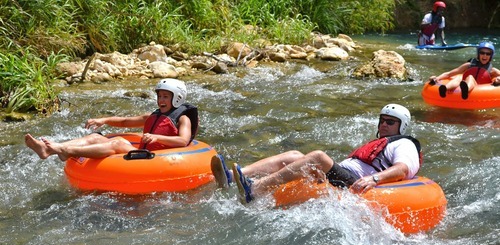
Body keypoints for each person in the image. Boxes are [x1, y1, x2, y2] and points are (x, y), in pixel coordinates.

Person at [211, 104, 421, 204]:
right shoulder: (380, 142)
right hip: (343, 176)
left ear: (402, 127)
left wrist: (375, 178)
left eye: (390, 122)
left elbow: (403, 169)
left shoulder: (404, 144)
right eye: (382, 120)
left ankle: (255, 190)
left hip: (356, 182)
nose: (384, 124)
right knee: (294, 155)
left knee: (318, 157)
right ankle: (231, 177)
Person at [25, 78, 199, 161]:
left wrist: (156, 138)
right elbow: (125, 121)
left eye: (165, 97)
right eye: (159, 96)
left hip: (159, 157)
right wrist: (104, 120)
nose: (161, 100)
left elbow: (183, 140)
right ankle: (52, 149)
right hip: (142, 154)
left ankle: (62, 150)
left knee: (117, 143)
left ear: (177, 98)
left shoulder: (183, 118)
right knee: (95, 137)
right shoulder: (153, 116)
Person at [429, 41, 500, 99]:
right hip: (464, 85)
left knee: (470, 77)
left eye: (488, 54)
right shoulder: (468, 65)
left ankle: (466, 90)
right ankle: (445, 88)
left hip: (479, 91)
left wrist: (498, 80)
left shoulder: (492, 71)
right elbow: (449, 74)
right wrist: (437, 78)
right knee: (459, 77)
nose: (485, 55)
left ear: (491, 56)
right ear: (478, 54)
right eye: (482, 53)